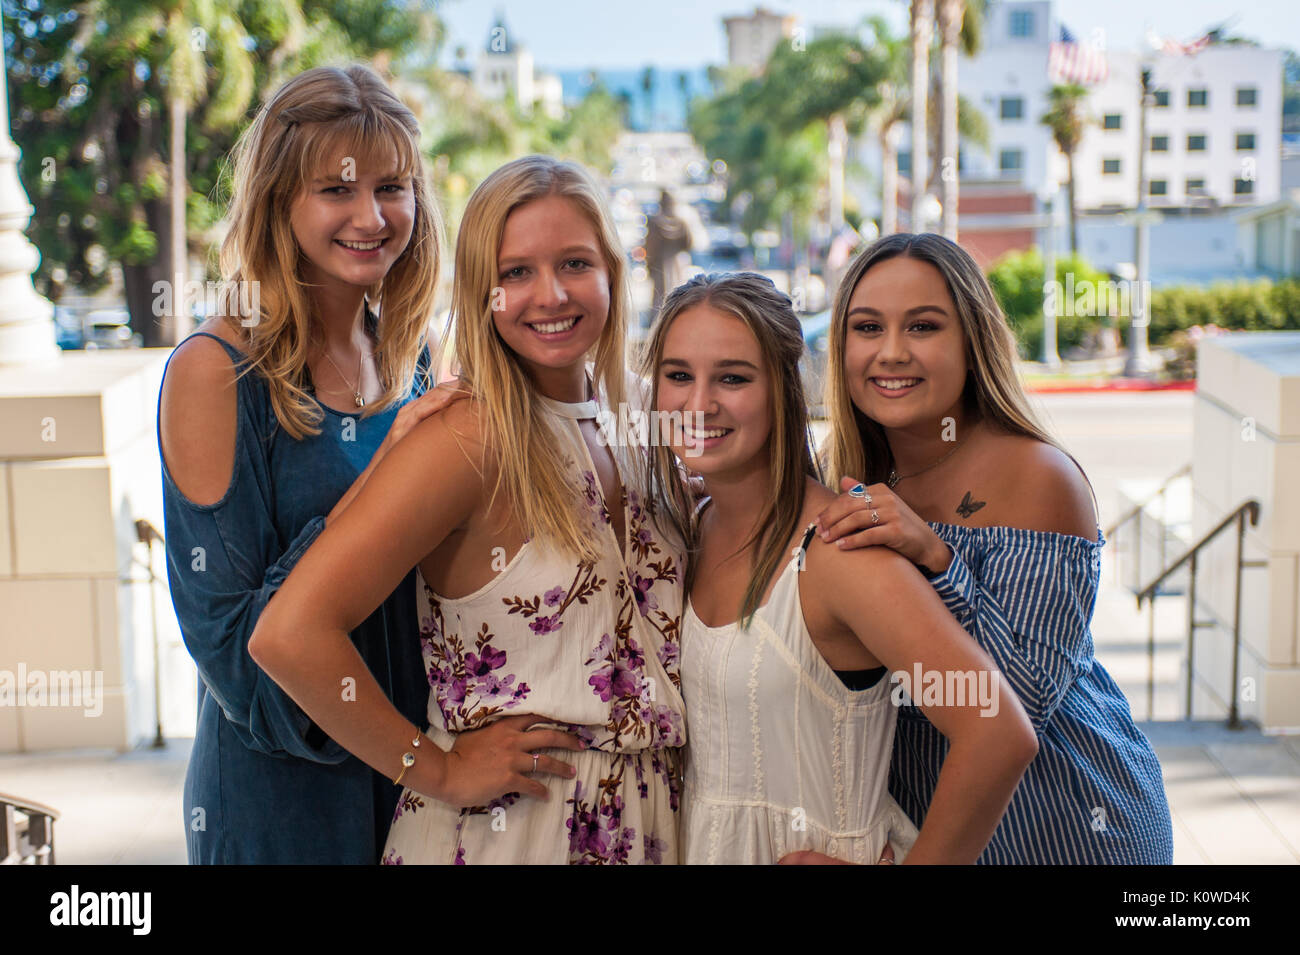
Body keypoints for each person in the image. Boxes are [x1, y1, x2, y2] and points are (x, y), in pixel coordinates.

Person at [248, 155, 687, 865]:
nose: (549, 295)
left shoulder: (641, 414)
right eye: (514, 273)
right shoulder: (467, 436)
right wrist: (440, 767)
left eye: (574, 263)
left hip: (651, 824)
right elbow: (287, 634)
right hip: (508, 834)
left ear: (612, 268)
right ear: (482, 294)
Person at [157, 64, 463, 864]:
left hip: (419, 793)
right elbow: (236, 655)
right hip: (284, 809)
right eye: (338, 189)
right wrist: (385, 476)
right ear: (278, 202)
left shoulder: (416, 356)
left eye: (393, 186)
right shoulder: (214, 371)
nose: (372, 215)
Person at [643, 271, 1039, 865]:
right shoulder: (692, 527)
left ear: (782, 391)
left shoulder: (838, 551)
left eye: (732, 377)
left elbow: (998, 733)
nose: (699, 403)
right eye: (679, 376)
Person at [816, 232, 1175, 864]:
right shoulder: (841, 470)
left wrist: (936, 557)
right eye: (866, 327)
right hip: (936, 834)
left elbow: (1020, 704)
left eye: (923, 327)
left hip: (1066, 828)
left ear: (972, 339)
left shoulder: (1036, 476)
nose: (891, 353)